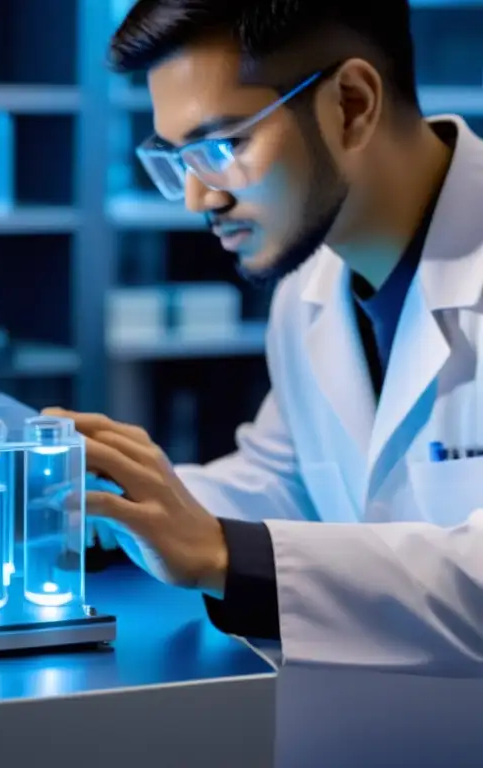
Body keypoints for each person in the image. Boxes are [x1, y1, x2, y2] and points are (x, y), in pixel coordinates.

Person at [52, 0, 483, 675]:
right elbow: (285, 485)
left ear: (352, 104)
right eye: (178, 159)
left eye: (224, 146)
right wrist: (115, 509)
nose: (199, 198)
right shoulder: (309, 292)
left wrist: (222, 554)